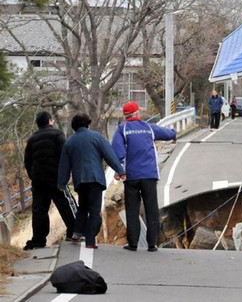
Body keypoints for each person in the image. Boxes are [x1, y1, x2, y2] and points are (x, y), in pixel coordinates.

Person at [112, 101, 176, 252]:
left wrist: (118, 169)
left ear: (125, 115)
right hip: (149, 175)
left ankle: (133, 243)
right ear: (137, 113)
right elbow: (166, 134)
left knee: (132, 209)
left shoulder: (123, 129)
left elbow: (118, 151)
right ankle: (152, 244)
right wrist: (173, 133)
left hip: (131, 176)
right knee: (151, 208)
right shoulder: (148, 127)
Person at [58, 113, 126, 249]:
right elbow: (110, 155)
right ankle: (90, 241)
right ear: (88, 123)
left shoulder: (69, 142)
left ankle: (77, 233)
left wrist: (62, 182)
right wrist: (120, 170)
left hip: (80, 181)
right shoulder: (97, 137)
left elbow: (64, 164)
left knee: (82, 207)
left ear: (74, 127)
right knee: (94, 211)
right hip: (95, 179)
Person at [23, 111, 77, 250]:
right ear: (50, 121)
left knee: (39, 209)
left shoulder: (32, 139)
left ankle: (39, 240)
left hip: (38, 179)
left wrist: (33, 175)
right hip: (55, 176)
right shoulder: (57, 134)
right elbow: (65, 155)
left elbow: (27, 161)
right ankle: (74, 231)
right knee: (65, 203)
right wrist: (65, 174)